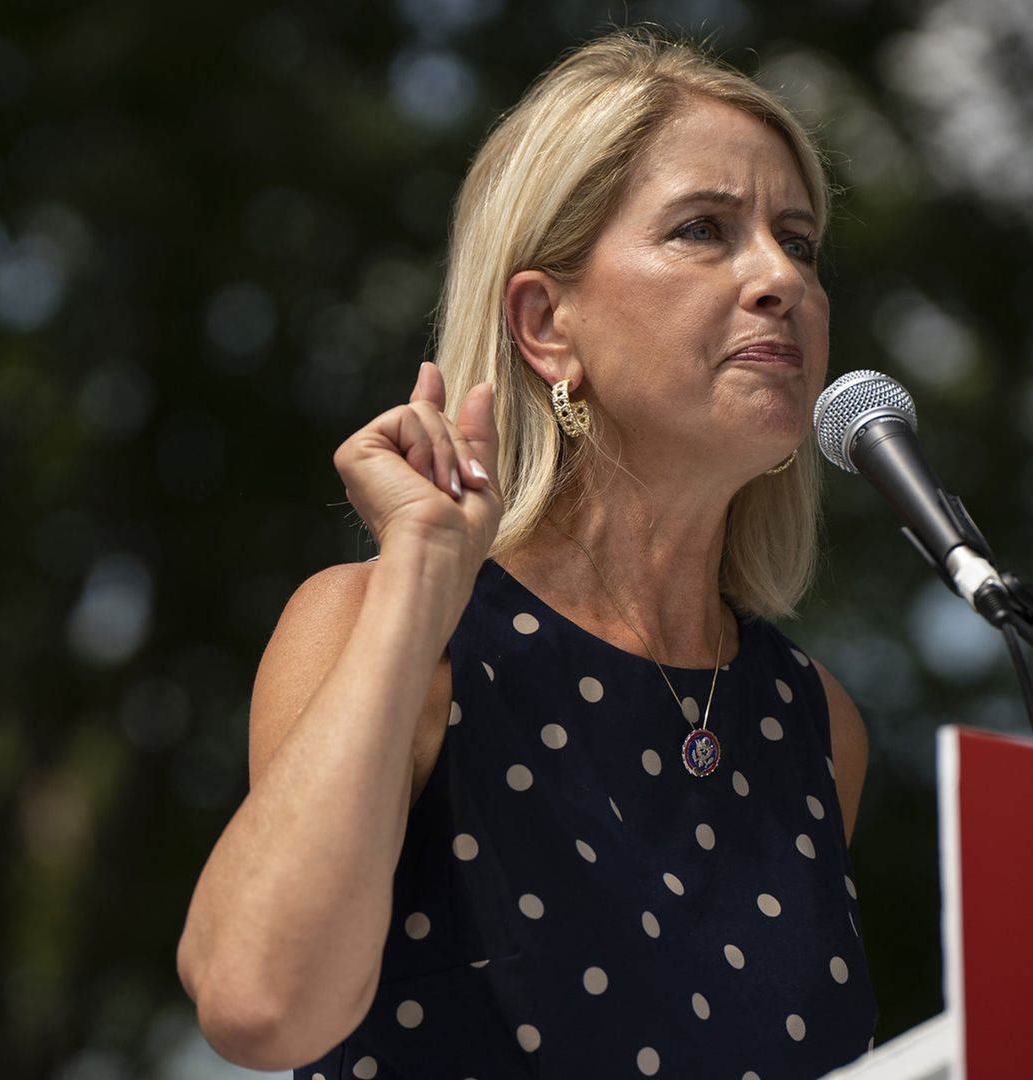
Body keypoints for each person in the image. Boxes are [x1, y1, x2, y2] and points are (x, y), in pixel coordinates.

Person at [178, 27, 875, 1079]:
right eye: (703, 230)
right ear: (546, 325)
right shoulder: (382, 629)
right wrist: (421, 578)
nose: (781, 278)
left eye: (801, 242)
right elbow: (256, 1005)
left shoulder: (816, 725)